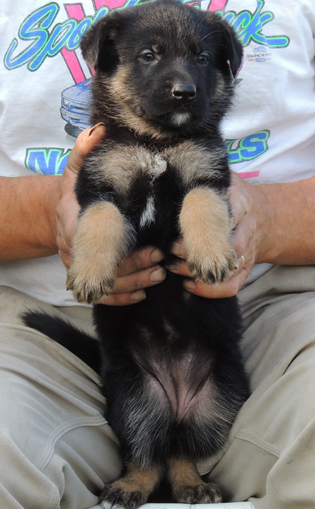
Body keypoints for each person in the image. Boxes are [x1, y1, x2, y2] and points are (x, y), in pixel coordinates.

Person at [0, 0, 314, 507]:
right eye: (148, 56)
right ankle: (144, 468)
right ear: (102, 64)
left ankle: (185, 466)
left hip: (277, 311)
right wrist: (57, 215)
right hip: (52, 332)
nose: (182, 81)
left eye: (200, 60)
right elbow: (104, 207)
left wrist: (272, 219)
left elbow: (202, 195)